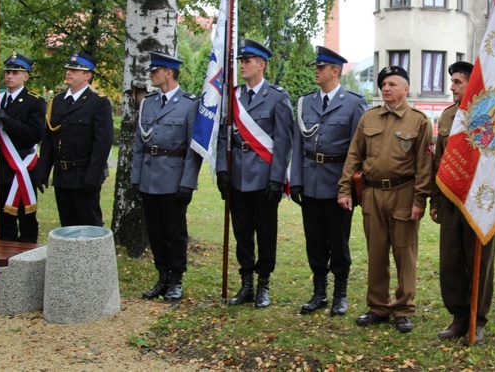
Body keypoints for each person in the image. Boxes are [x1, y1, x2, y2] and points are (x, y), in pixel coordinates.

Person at [338, 66, 433, 334]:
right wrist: (345, 190)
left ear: (406, 89)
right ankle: (378, 307)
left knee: (405, 254)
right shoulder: (369, 118)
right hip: (372, 193)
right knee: (376, 252)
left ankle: (403, 309)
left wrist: (419, 200)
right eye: (383, 84)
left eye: (392, 84)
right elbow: (353, 156)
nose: (386, 88)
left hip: (404, 193)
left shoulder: (419, 121)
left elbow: (425, 165)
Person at [290, 46, 367, 316]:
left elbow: (359, 149)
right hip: (310, 181)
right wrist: (295, 180)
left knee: (338, 241)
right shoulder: (305, 102)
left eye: (321, 67)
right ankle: (319, 292)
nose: (316, 71)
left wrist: (349, 186)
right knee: (315, 241)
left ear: (335, 71)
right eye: (317, 67)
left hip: (338, 184)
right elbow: (298, 144)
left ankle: (340, 294)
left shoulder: (354, 103)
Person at [216, 39, 293, 308]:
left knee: (266, 232)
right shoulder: (233, 96)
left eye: (247, 61)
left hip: (264, 176)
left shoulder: (277, 97)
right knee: (242, 232)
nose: (242, 65)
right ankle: (246, 282)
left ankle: (263, 284)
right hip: (237, 174)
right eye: (241, 61)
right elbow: (223, 136)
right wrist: (221, 170)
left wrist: (276, 178)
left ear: (261, 65)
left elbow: (283, 141)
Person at [430, 61, 495, 345]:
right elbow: (438, 162)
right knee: (451, 263)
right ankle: (459, 318)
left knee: (479, 264)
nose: (452, 87)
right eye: (452, 81)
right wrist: (435, 201)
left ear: (471, 84)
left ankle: (477, 320)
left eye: (458, 82)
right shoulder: (447, 117)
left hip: (482, 202)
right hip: (451, 201)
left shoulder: (491, 116)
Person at [132, 51, 202, 302]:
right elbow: (140, 143)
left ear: (168, 73)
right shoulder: (148, 103)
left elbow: (195, 149)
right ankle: (162, 276)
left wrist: (187, 182)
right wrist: (136, 177)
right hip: (149, 177)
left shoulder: (189, 103)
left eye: (155, 71)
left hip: (173, 178)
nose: (151, 75)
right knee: (155, 231)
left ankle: (176, 279)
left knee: (174, 231)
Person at [37, 51, 114, 227]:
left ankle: (94, 256)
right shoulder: (57, 101)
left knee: (89, 225)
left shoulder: (98, 103)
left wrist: (93, 177)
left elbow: (103, 143)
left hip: (84, 173)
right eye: (68, 69)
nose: (69, 72)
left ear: (87, 75)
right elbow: (49, 137)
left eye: (74, 70)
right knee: (67, 225)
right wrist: (42, 170)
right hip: (62, 174)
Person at [0, 53, 46, 243]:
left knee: (26, 219)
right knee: (2, 219)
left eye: (15, 72)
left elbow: (35, 134)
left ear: (26, 76)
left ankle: (25, 265)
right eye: (7, 72)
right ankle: (4, 266)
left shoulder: (34, 101)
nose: (9, 76)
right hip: (0, 165)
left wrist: (6, 119)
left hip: (22, 166)